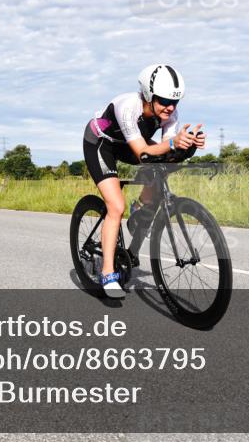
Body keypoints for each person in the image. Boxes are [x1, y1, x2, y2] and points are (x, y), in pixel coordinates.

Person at [82, 64, 205, 298]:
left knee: (163, 166)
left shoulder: (170, 115)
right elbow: (142, 153)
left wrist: (188, 146)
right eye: (164, 101)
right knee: (115, 207)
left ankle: (139, 209)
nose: (170, 107)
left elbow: (166, 154)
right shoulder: (128, 107)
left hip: (129, 143)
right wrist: (172, 143)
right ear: (149, 95)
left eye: (175, 102)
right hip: (101, 144)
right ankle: (107, 272)